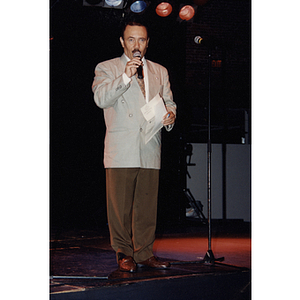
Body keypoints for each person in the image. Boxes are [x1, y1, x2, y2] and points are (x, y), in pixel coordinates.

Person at [92, 21, 176, 272]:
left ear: (148, 42)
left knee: (147, 206)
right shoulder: (106, 68)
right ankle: (123, 253)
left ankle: (144, 253)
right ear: (122, 41)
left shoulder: (160, 71)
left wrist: (171, 116)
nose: (136, 45)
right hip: (122, 148)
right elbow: (100, 99)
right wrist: (126, 75)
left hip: (150, 144)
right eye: (131, 40)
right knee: (119, 207)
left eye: (141, 40)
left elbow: (169, 102)